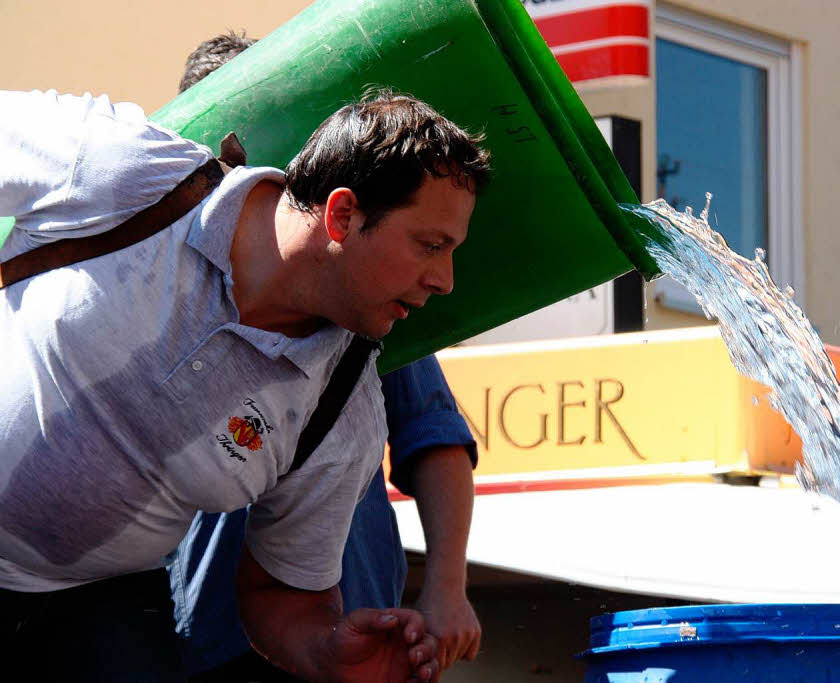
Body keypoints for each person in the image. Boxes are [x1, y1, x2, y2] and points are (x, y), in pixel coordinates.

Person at [0, 85, 490, 681]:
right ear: (341, 214)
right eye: (431, 246)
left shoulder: (343, 417)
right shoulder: (120, 170)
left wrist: (327, 649)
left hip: (93, 612)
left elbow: (286, 598)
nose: (446, 280)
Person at [168, 32, 483, 680]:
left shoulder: (358, 301)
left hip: (348, 623)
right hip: (200, 633)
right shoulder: (165, 282)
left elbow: (435, 439)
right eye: (224, 150)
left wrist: (447, 587)